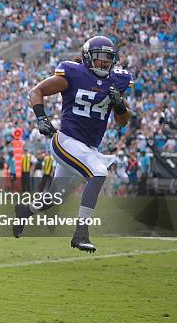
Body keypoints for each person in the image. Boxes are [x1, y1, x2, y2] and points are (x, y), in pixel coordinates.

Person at [14, 36, 133, 253]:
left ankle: (25, 211)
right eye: (99, 58)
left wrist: (120, 106)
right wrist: (41, 118)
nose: (105, 63)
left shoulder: (117, 80)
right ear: (88, 58)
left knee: (54, 197)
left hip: (88, 148)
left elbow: (123, 121)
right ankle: (81, 234)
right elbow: (36, 92)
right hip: (66, 141)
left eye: (108, 58)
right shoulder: (73, 73)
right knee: (98, 172)